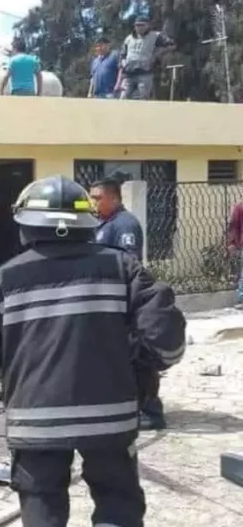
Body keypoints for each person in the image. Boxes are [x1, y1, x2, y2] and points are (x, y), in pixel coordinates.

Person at [0, 175, 186, 527]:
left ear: (25, 225)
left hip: (35, 421)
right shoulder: (123, 268)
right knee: (118, 505)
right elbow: (166, 338)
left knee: (42, 505)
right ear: (87, 222)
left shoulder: (3, 279)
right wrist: (140, 369)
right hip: (111, 418)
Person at [88, 178, 166, 430]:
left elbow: (129, 266)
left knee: (137, 357)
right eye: (92, 197)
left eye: (98, 197)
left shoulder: (125, 225)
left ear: (114, 198)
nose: (93, 201)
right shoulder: (102, 222)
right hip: (106, 300)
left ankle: (151, 412)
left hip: (125, 301)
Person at [117, 16, 175, 100]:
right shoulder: (128, 38)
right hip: (129, 74)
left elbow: (172, 45)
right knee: (123, 98)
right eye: (137, 25)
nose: (139, 27)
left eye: (142, 25)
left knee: (143, 98)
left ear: (148, 25)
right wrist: (123, 63)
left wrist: (158, 54)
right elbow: (122, 54)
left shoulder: (155, 36)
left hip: (145, 73)